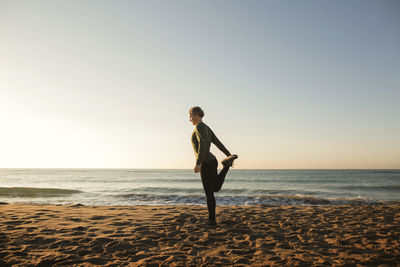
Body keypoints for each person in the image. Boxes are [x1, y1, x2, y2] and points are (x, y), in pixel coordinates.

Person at [189, 106, 238, 226]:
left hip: (206, 163)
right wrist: (228, 155)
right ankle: (226, 165)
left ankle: (211, 220)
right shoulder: (206, 127)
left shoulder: (199, 127)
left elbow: (203, 144)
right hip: (212, 161)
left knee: (209, 193)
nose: (190, 120)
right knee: (215, 188)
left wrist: (198, 163)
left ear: (196, 115)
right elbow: (218, 143)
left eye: (190, 117)